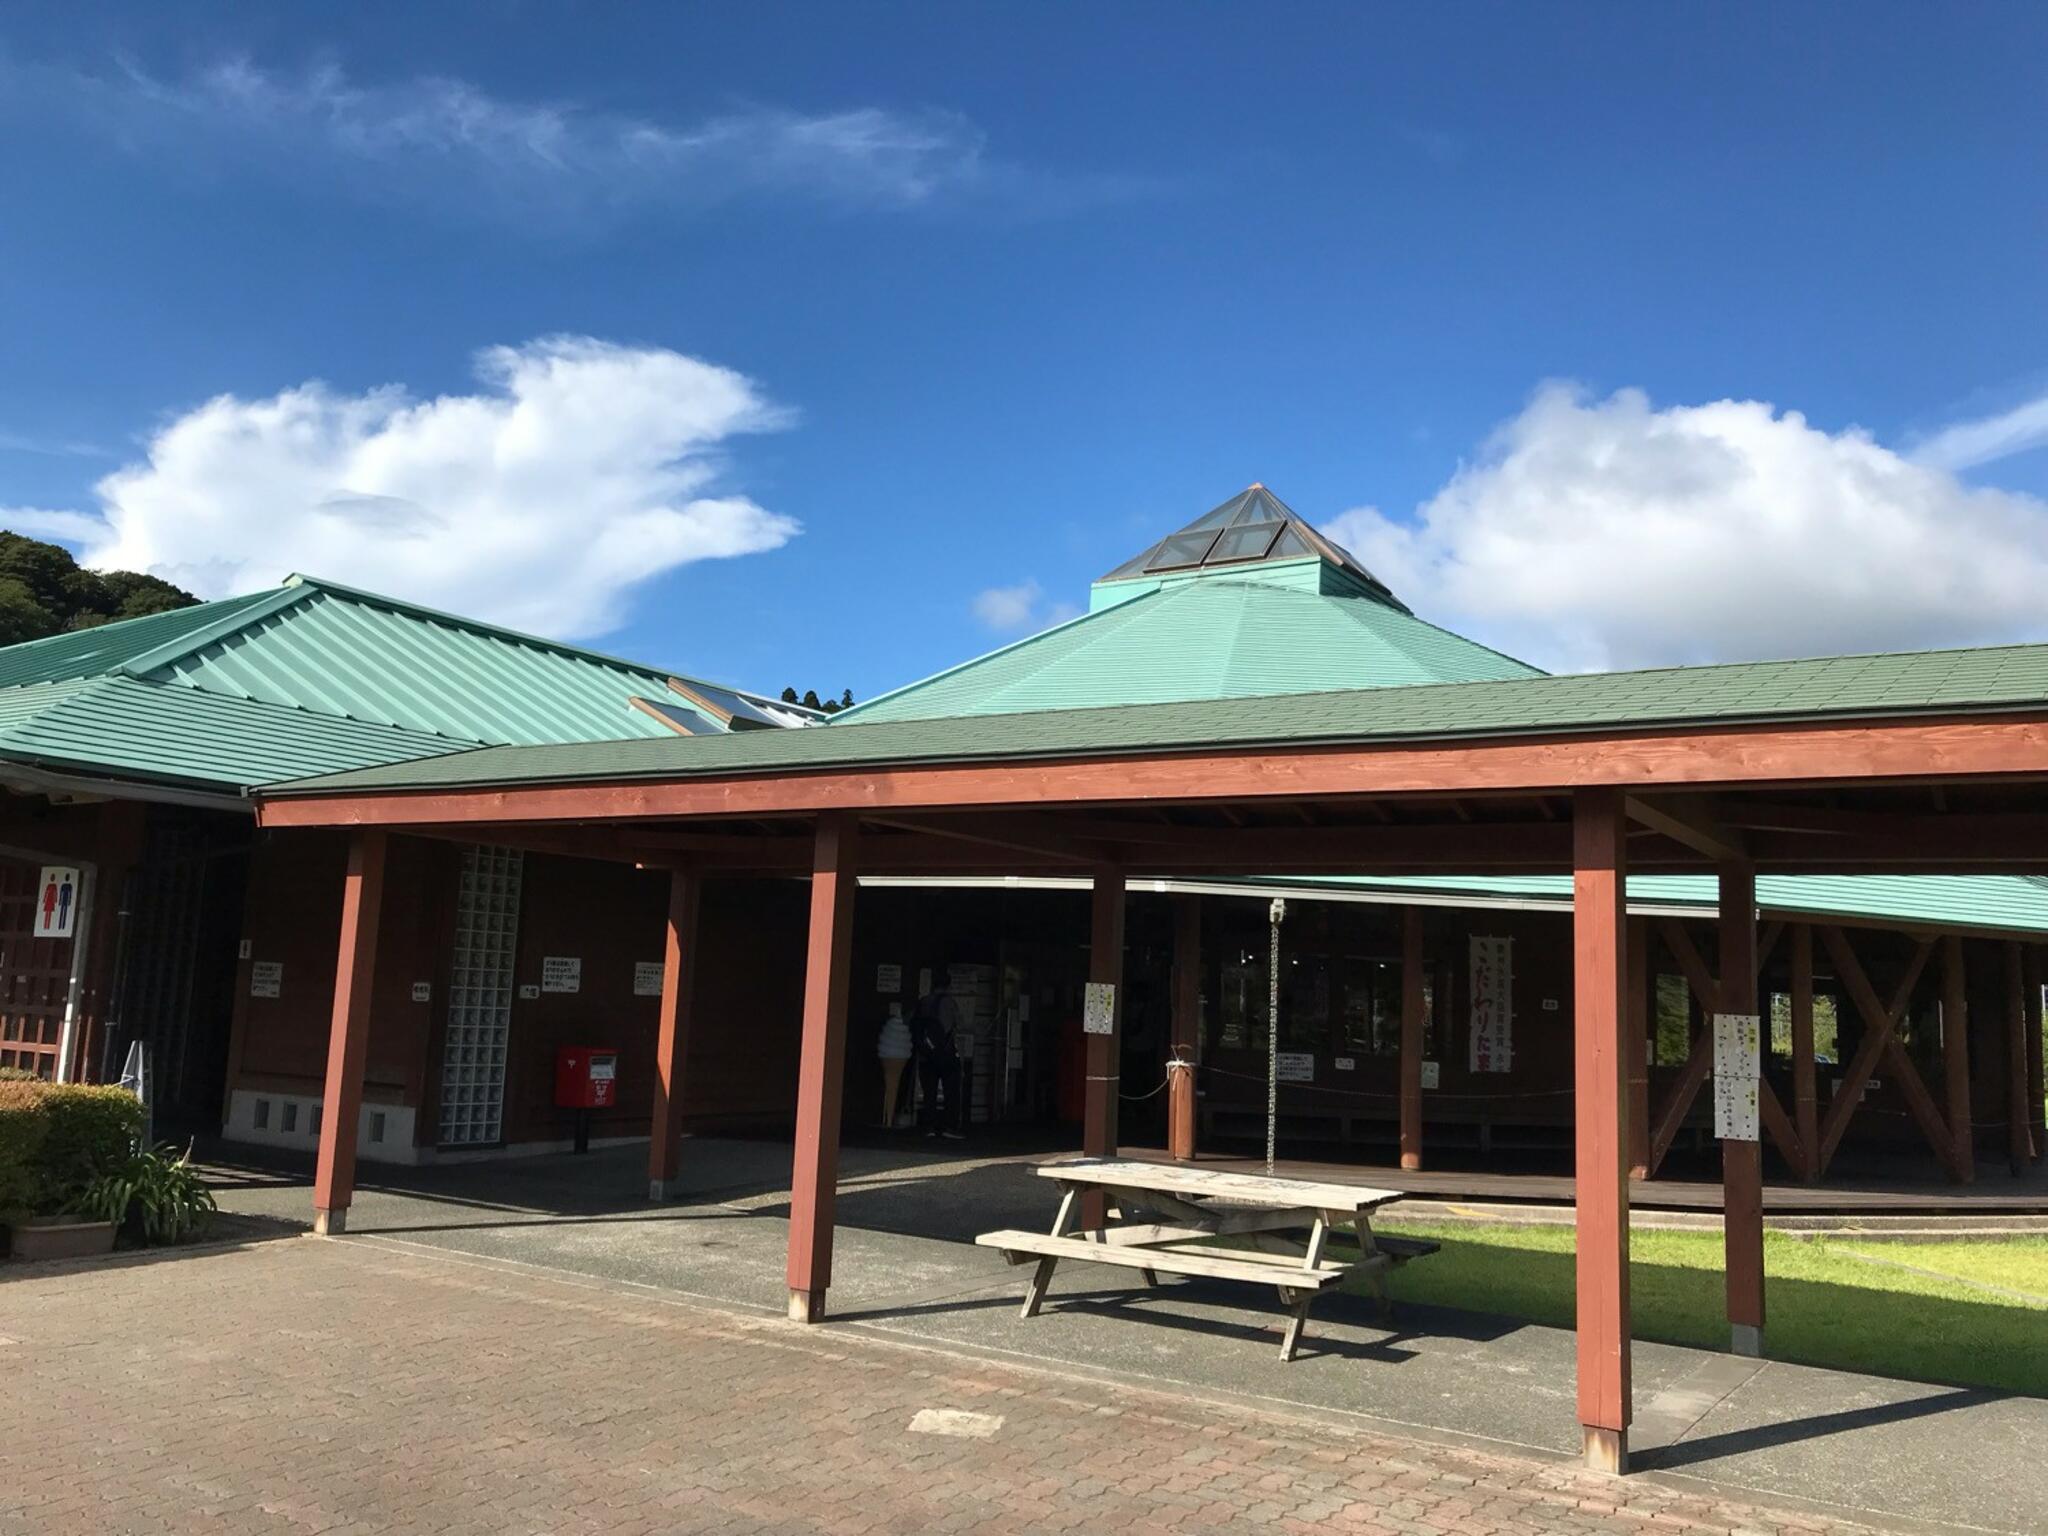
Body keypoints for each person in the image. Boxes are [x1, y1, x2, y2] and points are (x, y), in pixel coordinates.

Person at [910, 967, 966, 1139]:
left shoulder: (923, 1001)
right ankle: (950, 1127)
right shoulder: (949, 1003)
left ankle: (929, 1126)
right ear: (948, 986)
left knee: (929, 1092)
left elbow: (911, 1023)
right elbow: (959, 1024)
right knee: (951, 1090)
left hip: (926, 1054)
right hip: (946, 1053)